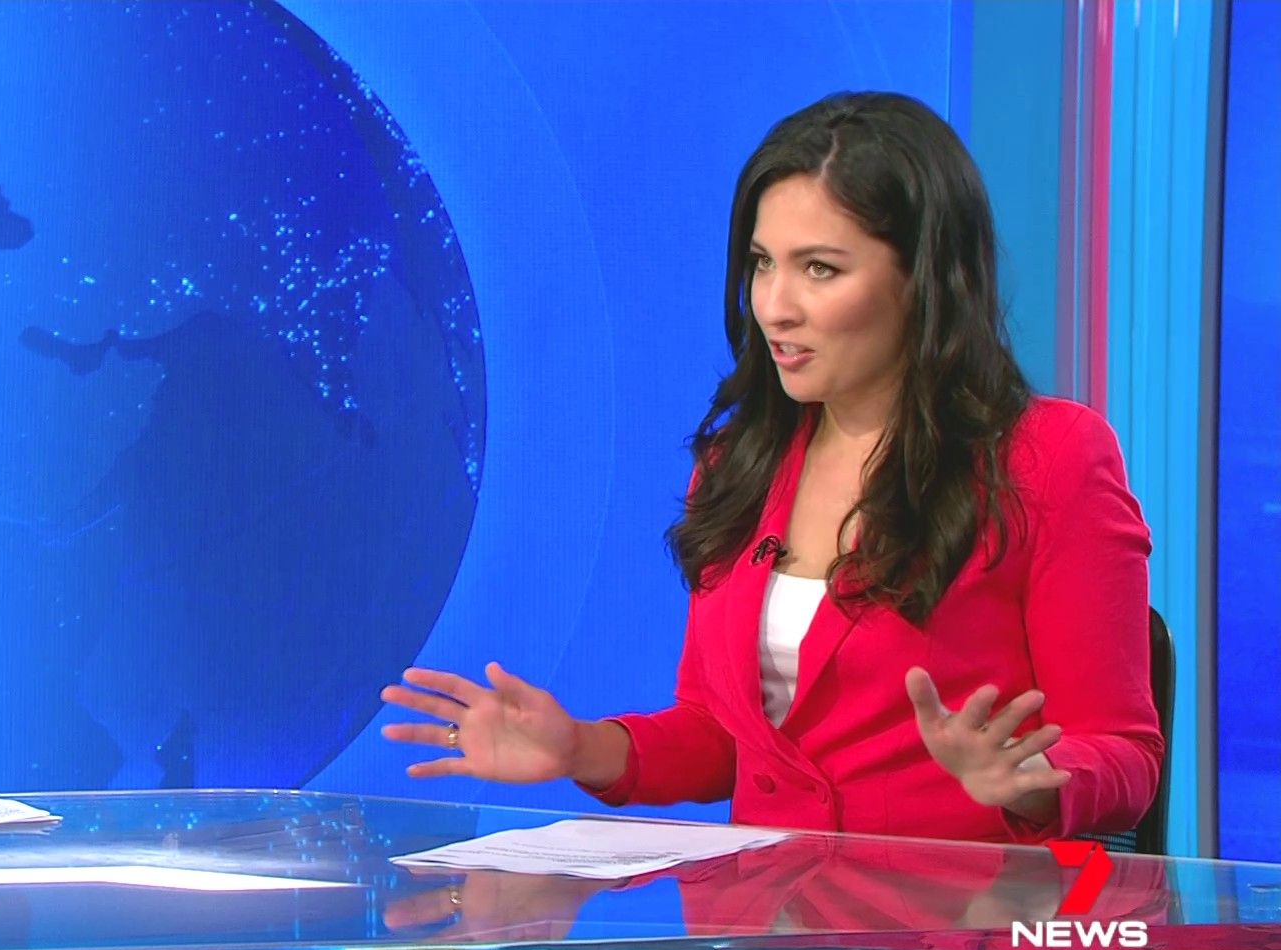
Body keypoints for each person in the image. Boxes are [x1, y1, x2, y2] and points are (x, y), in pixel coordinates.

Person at [382, 91, 1162, 844]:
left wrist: (1031, 780)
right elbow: (720, 738)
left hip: (961, 922)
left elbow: (1125, 756)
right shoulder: (740, 464)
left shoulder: (1050, 458)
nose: (774, 306)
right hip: (767, 919)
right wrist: (581, 748)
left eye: (819, 269)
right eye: (762, 263)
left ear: (924, 279)